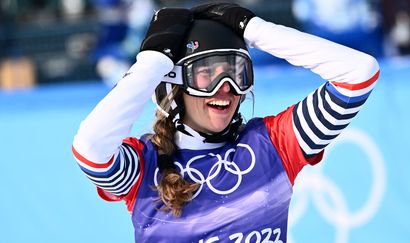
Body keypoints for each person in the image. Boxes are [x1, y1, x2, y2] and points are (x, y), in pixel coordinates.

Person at [72, 3, 380, 242]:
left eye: (236, 72)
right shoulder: (144, 166)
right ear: (175, 84)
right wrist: (154, 61)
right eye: (207, 73)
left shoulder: (274, 145)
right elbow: (90, 149)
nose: (226, 87)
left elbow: (359, 73)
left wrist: (256, 30)